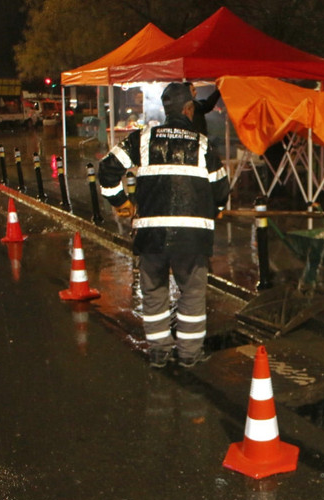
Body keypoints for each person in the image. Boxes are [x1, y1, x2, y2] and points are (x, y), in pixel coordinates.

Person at [98, 82, 230, 368]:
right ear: (188, 109)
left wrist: (120, 202)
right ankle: (189, 354)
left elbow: (107, 169)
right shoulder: (202, 144)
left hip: (152, 236)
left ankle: (159, 352)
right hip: (192, 238)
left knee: (154, 292)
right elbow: (221, 189)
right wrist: (214, 211)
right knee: (192, 294)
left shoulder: (143, 138)